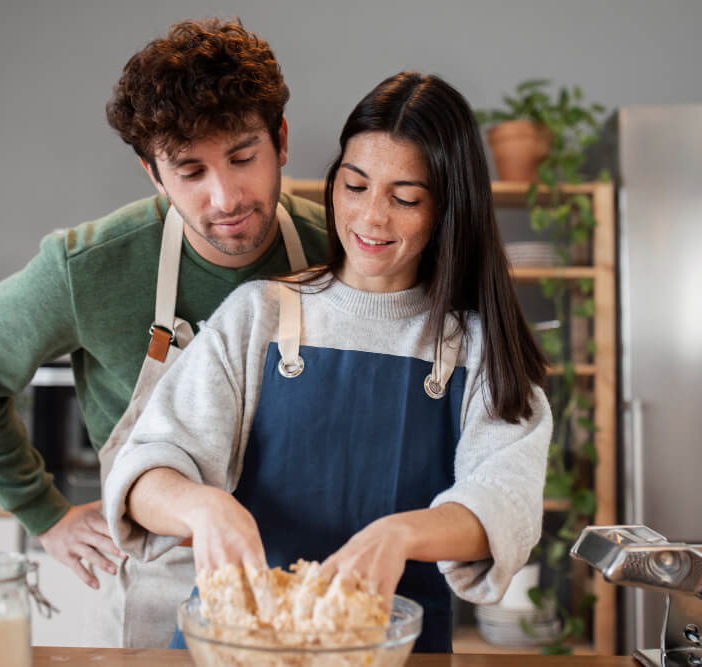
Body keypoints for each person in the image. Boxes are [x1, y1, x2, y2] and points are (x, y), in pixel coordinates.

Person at [103, 71, 553, 653]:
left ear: (448, 208)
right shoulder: (259, 315)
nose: (370, 218)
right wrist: (202, 506)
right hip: (246, 647)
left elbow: (505, 501)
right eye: (355, 186)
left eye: (406, 198)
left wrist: (400, 535)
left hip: (394, 653)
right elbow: (145, 473)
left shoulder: (475, 347)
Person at [0, 18, 329, 647]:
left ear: (280, 139)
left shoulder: (343, 250)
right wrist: (44, 512)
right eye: (190, 171)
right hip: (162, 589)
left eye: (243, 157)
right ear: (153, 173)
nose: (225, 196)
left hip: (323, 582)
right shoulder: (89, 268)